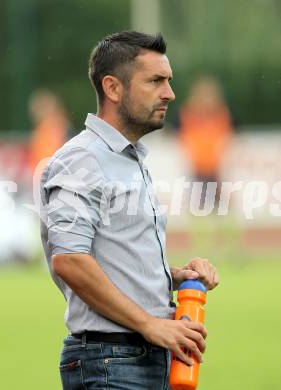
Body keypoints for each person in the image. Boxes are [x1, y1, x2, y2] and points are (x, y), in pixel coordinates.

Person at [40, 31, 219, 390]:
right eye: (155, 81)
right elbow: (70, 258)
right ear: (113, 88)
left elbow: (113, 257)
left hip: (149, 354)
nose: (169, 93)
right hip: (112, 361)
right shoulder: (83, 159)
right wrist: (150, 323)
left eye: (168, 81)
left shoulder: (128, 158)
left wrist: (171, 276)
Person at [178, 77, 232, 209]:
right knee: (199, 204)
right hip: (196, 167)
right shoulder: (188, 113)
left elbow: (227, 136)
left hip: (216, 167)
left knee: (221, 205)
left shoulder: (221, 113)